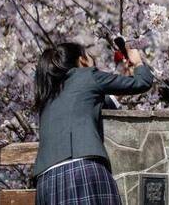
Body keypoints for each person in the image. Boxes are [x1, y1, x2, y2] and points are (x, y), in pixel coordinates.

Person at [33, 42, 154, 205]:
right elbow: (143, 82)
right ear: (82, 60)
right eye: (90, 56)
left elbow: (91, 103)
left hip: (46, 182)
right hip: (81, 172)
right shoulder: (87, 75)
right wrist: (138, 63)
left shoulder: (49, 93)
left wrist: (122, 82)